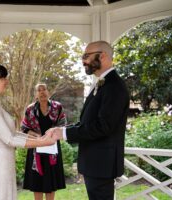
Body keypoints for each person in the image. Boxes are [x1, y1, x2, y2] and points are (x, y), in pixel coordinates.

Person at [48, 41, 130, 200]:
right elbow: (89, 122)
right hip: (96, 163)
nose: (83, 60)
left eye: (86, 56)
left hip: (102, 164)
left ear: (103, 56)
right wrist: (62, 130)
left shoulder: (114, 86)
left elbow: (103, 126)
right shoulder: (103, 83)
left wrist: (64, 133)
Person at [0, 63, 56, 200]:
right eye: (3, 78)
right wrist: (43, 143)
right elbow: (10, 139)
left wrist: (39, 139)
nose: (6, 81)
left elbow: (13, 133)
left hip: (3, 163)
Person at [21, 83, 66, 200]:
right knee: (37, 182)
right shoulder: (30, 109)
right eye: (39, 90)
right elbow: (24, 128)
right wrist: (37, 136)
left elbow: (63, 124)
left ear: (48, 92)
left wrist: (51, 135)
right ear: (36, 94)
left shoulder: (57, 107)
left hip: (52, 148)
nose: (42, 92)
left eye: (44, 89)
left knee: (51, 181)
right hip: (36, 147)